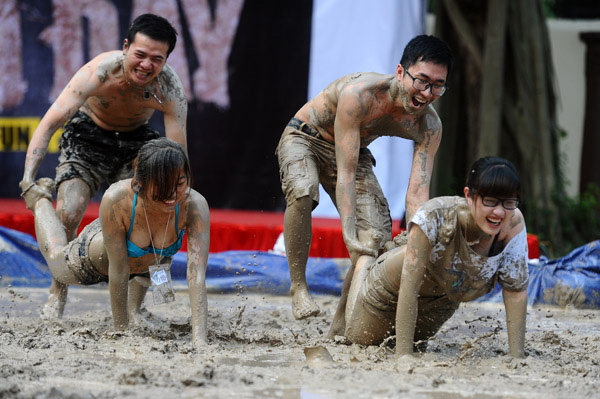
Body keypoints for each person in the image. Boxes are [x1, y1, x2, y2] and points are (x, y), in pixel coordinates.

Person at [275, 35, 454, 326]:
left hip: (352, 151)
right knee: (303, 191)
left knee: (375, 237)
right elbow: (344, 173)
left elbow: (418, 189)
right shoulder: (360, 95)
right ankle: (299, 286)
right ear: (400, 72)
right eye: (421, 81)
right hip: (305, 138)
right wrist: (348, 233)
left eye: (437, 86)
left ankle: (342, 324)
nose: (427, 93)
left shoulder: (429, 125)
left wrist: (415, 233)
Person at [19, 14, 188, 317]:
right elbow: (48, 125)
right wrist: (29, 176)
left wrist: (177, 195)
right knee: (68, 212)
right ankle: (58, 292)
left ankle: (136, 306)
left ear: (166, 61)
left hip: (137, 144)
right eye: (140, 55)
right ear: (126, 47)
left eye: (156, 59)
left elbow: (177, 154)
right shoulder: (97, 73)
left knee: (152, 215)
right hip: (88, 136)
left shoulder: (169, 90)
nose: (146, 65)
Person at [23, 138, 210, 347]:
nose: (172, 195)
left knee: (158, 259)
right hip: (98, 258)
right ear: (141, 182)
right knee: (56, 258)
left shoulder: (194, 205)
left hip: (148, 264)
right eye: (163, 186)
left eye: (180, 183)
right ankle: (39, 200)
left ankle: (136, 308)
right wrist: (121, 332)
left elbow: (196, 276)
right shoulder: (117, 198)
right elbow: (119, 271)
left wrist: (199, 339)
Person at [344, 156, 529, 358]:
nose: (499, 212)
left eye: (509, 202)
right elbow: (409, 285)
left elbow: (515, 291)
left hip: (440, 302)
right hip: (390, 290)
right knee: (360, 339)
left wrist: (516, 356)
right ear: (469, 195)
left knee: (418, 347)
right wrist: (403, 356)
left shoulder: (513, 224)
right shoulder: (436, 215)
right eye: (490, 201)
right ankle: (367, 259)